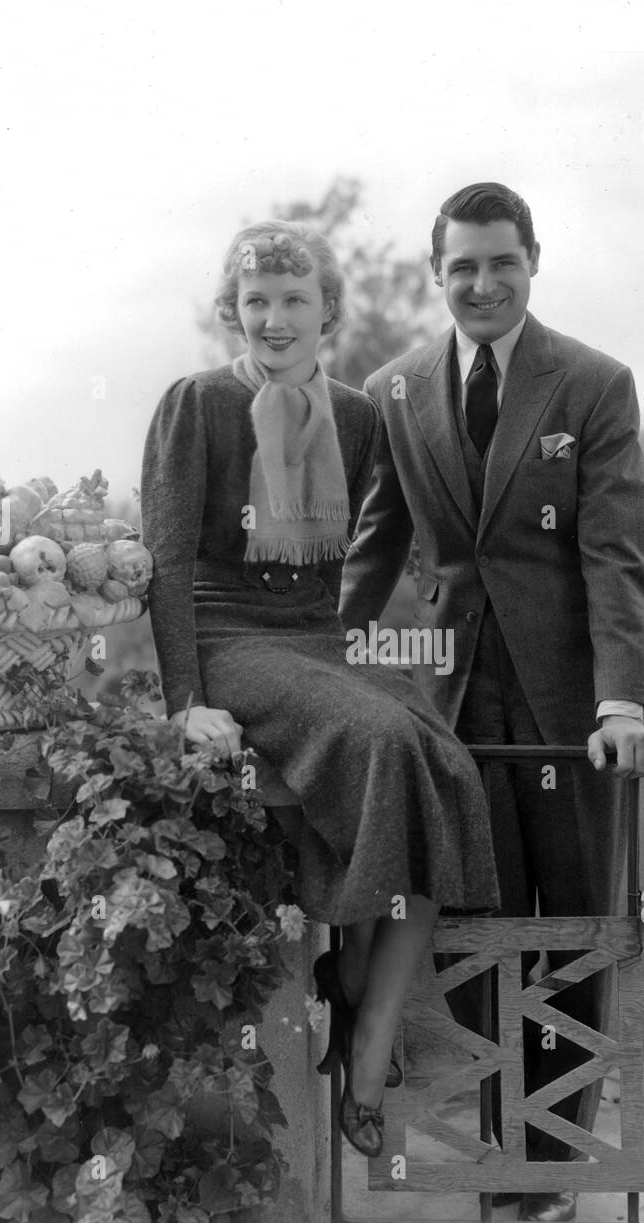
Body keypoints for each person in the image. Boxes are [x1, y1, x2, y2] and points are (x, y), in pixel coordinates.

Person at [339, 182, 644, 1222]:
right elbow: (372, 547)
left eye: (501, 262)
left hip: (570, 709)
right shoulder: (393, 390)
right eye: (462, 267)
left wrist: (621, 702)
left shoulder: (593, 384)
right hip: (452, 707)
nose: (482, 283)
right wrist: (308, 658)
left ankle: (556, 1157)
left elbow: (619, 558)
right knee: (475, 925)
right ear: (439, 275)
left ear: (533, 261)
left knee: (567, 925)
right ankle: (502, 1142)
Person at [140, 220, 499, 1160]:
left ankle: (366, 1025)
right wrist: (186, 702)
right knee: (379, 736)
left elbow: (371, 551)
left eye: (294, 300)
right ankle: (346, 985)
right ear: (235, 311)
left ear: (326, 311)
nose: (274, 318)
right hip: (229, 637)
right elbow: (167, 563)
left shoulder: (356, 414)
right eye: (255, 302)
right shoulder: (197, 405)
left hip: (317, 637)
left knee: (441, 757)